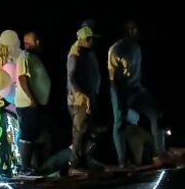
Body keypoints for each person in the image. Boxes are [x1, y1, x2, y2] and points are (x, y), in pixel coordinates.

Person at [109, 21, 164, 167]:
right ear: (131, 31)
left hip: (136, 89)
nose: (141, 33)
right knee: (119, 122)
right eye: (138, 30)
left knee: (156, 113)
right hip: (120, 89)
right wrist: (121, 99)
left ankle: (159, 154)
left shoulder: (136, 46)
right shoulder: (116, 49)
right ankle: (122, 160)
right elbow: (113, 78)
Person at [15, 31, 51, 173]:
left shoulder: (33, 57)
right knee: (27, 134)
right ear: (34, 42)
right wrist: (32, 99)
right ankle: (24, 168)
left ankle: (33, 166)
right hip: (27, 104)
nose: (39, 43)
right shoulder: (25, 56)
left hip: (35, 103)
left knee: (36, 135)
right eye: (37, 41)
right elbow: (22, 78)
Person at [66, 26, 101, 172]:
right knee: (80, 131)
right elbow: (72, 77)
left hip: (85, 97)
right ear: (84, 39)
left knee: (86, 131)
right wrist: (81, 94)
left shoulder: (84, 52)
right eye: (90, 39)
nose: (92, 42)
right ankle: (75, 165)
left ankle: (84, 162)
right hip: (79, 100)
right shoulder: (75, 53)